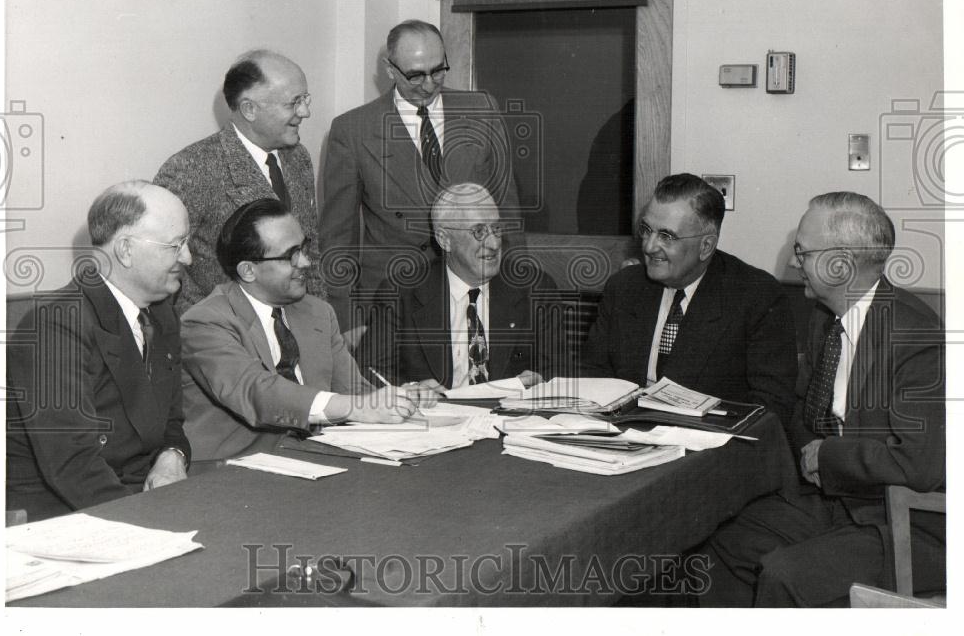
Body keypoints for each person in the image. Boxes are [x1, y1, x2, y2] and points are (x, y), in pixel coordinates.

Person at [701, 192, 945, 607]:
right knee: (721, 544)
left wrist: (826, 457)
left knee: (785, 574)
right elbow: (802, 411)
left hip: (910, 521)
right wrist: (811, 460)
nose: (794, 263)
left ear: (842, 263)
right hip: (837, 500)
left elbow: (918, 465)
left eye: (802, 251)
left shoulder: (914, 335)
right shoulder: (824, 321)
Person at [179, 199, 433, 464]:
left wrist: (403, 397)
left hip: (315, 460)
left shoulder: (318, 312)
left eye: (304, 247)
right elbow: (257, 392)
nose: (306, 262)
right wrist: (357, 408)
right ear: (248, 271)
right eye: (291, 255)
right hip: (232, 472)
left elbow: (355, 392)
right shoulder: (204, 323)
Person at [320, 20, 522, 340]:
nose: (428, 84)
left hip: (471, 292)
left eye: (438, 70)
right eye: (415, 75)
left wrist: (516, 296)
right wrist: (346, 320)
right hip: (392, 302)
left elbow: (507, 211)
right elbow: (337, 239)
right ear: (390, 69)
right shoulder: (352, 131)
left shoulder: (482, 109)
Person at [6, 181, 192, 522]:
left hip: (135, 497)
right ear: (125, 250)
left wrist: (172, 455)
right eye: (175, 245)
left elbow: (171, 422)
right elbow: (72, 463)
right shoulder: (56, 324)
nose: (188, 257)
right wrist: (148, 525)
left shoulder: (162, 315)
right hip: (61, 512)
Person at [581, 172, 797, 420]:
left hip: (708, 446)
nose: (649, 247)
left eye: (666, 236)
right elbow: (592, 375)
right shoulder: (624, 288)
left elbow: (770, 408)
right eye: (646, 230)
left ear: (706, 246)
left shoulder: (757, 297)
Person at [154, 50, 323, 314]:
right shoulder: (191, 168)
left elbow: (310, 249)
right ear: (249, 109)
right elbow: (162, 267)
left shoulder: (298, 158)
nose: (305, 112)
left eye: (305, 99)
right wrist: (211, 326)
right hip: (228, 335)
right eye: (293, 102)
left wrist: (319, 321)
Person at [361, 183, 564, 390]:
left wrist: (542, 383)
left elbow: (560, 370)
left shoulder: (535, 289)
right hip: (434, 417)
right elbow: (370, 371)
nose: (494, 244)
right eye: (478, 231)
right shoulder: (401, 292)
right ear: (444, 240)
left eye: (496, 228)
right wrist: (410, 389)